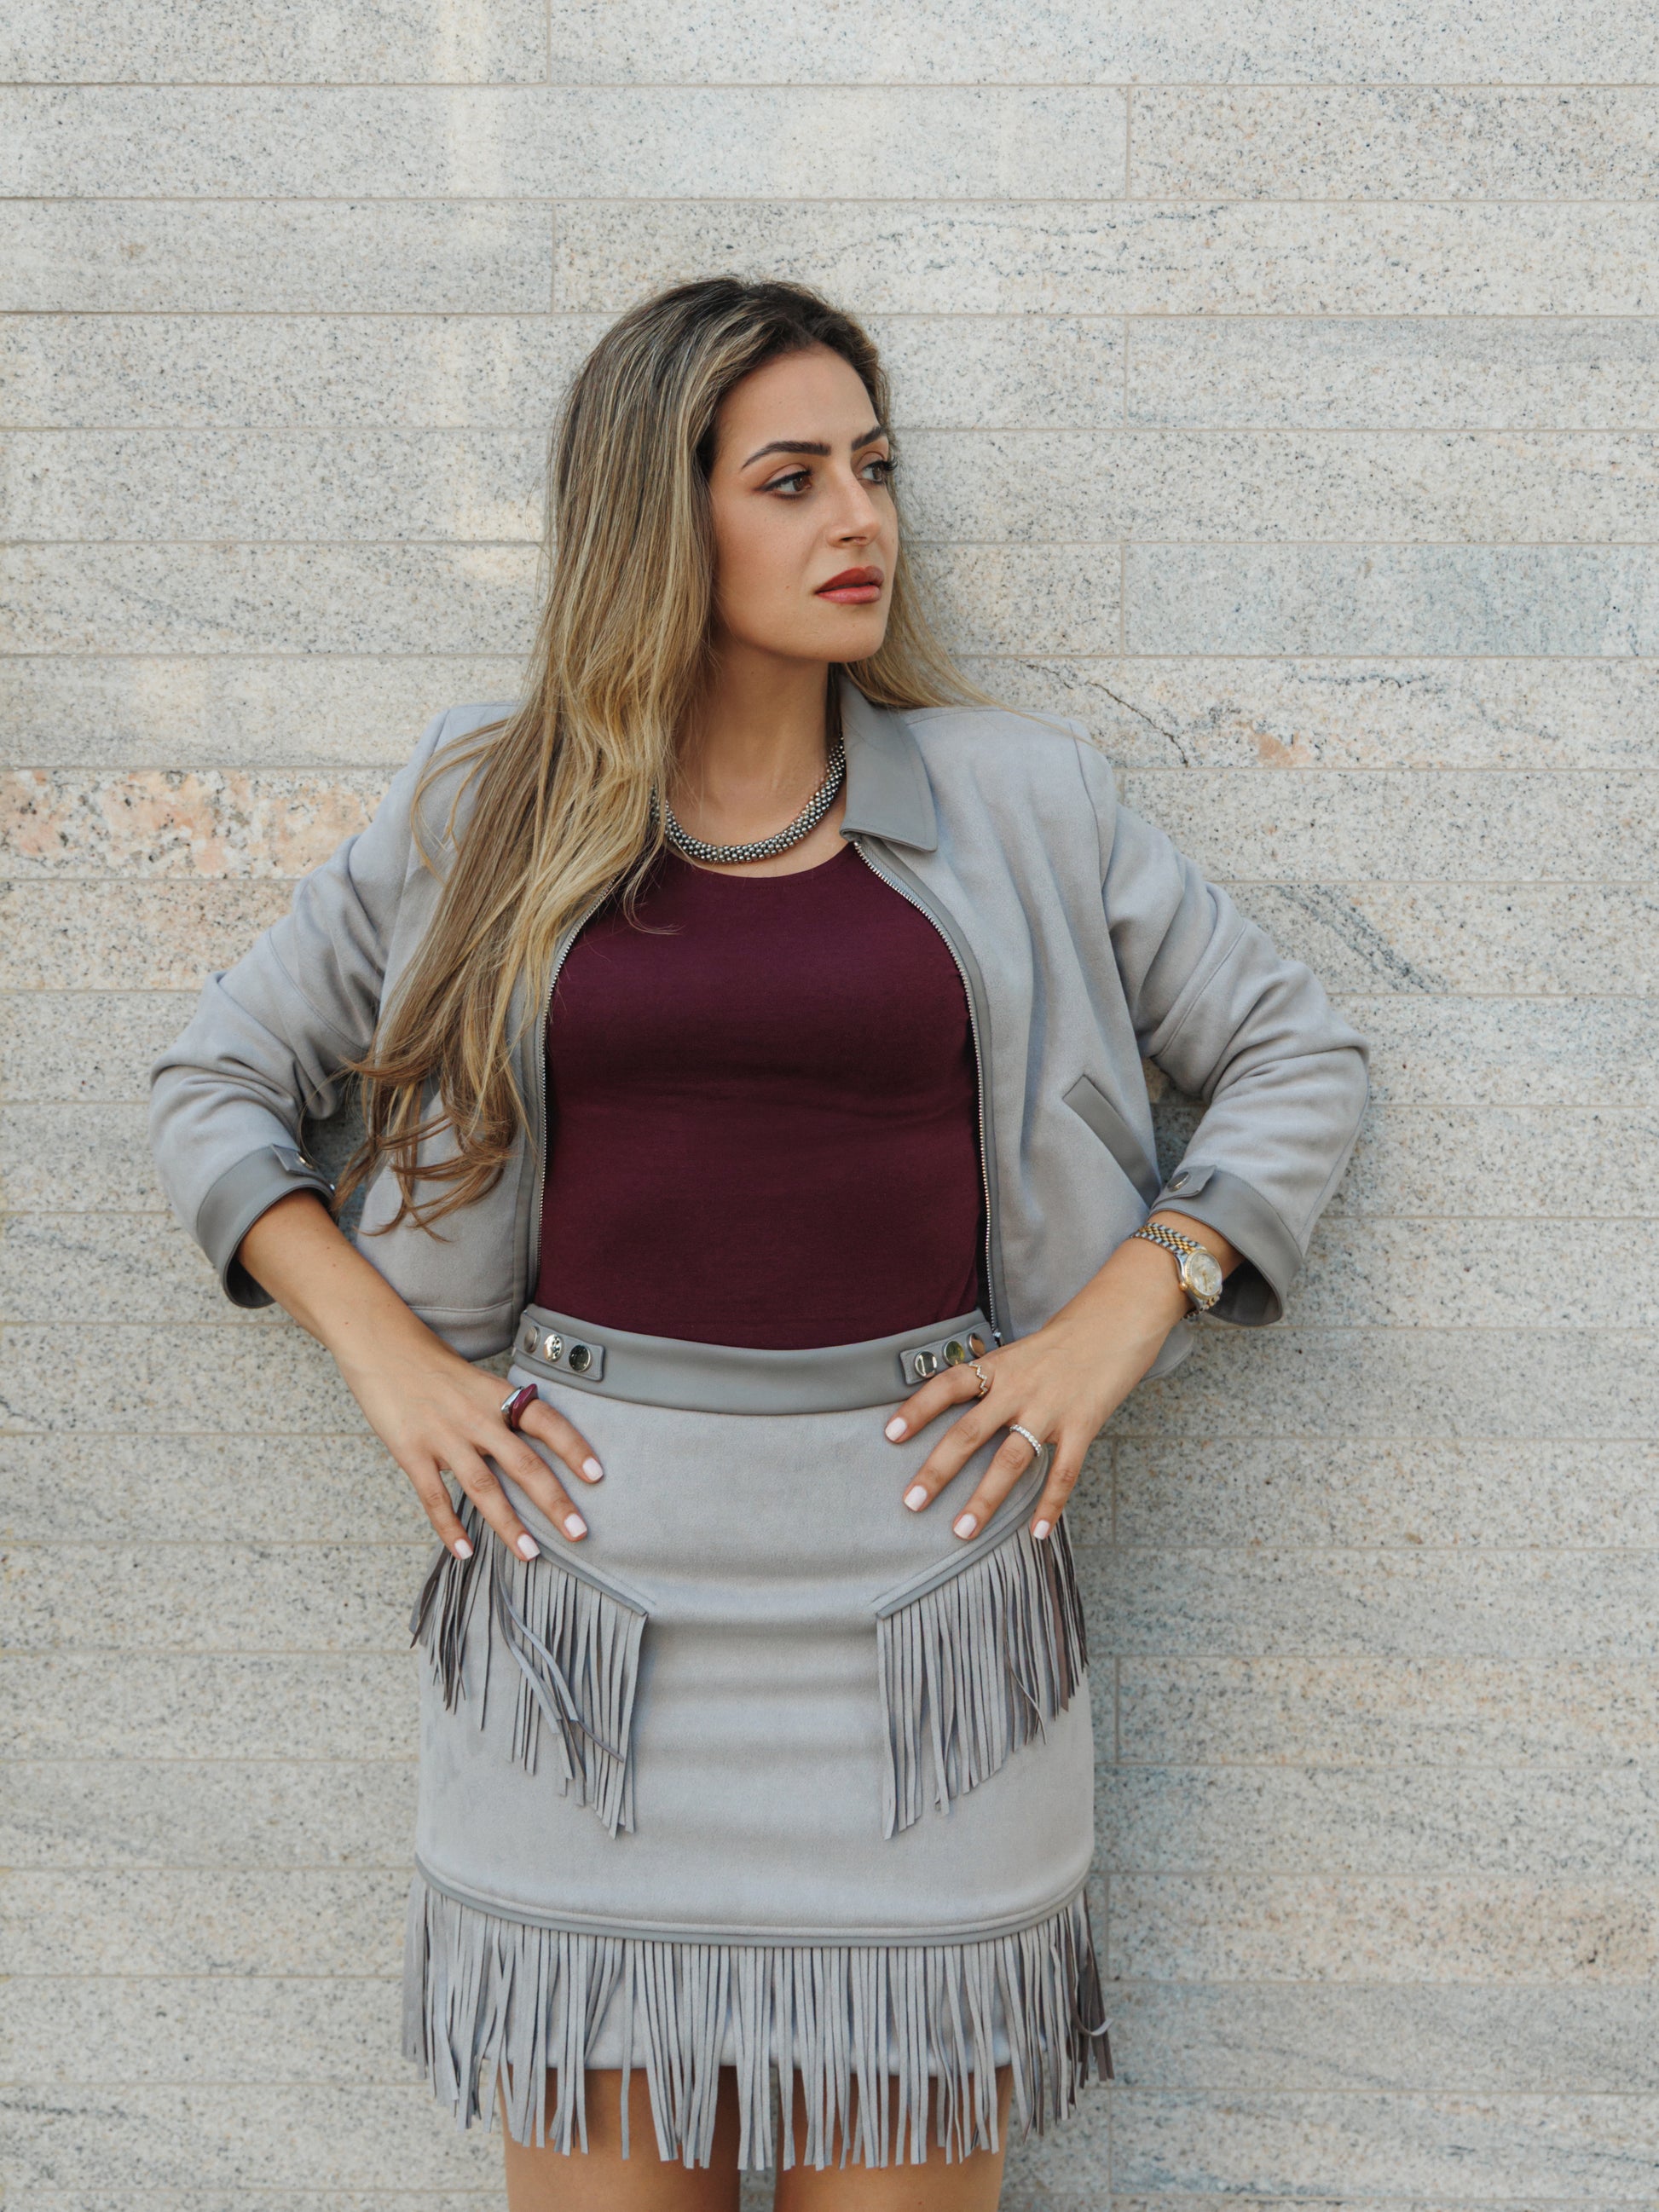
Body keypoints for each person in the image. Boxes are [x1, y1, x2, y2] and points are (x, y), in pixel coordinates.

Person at [148, 276, 1369, 2212]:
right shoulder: (484, 806)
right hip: (577, 1611)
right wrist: (391, 1361)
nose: (858, 520)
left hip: (933, 1618)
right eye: (790, 480)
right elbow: (217, 1083)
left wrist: (1131, 1306)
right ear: (661, 515)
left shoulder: (1024, 799)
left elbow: (1293, 1052)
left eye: (872, 469)